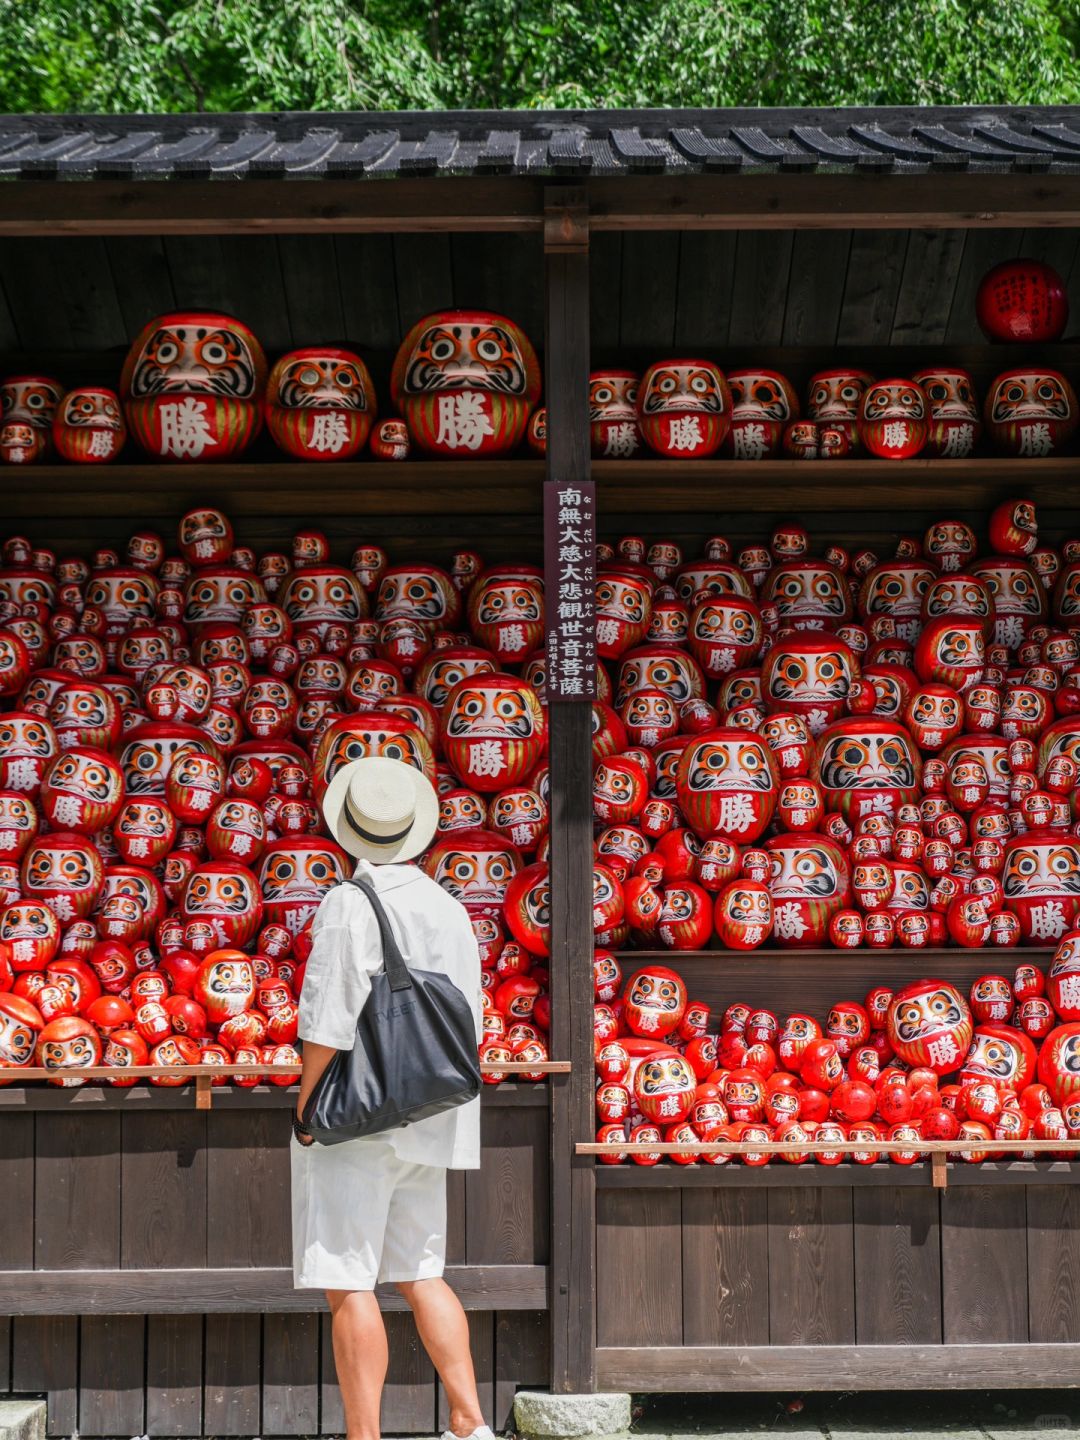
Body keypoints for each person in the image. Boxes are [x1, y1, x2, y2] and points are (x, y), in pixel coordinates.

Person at [291, 756, 492, 1440]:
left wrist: (307, 1108)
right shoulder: (449, 906)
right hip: (430, 1111)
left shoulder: (350, 903)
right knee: (420, 1271)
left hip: (361, 1115)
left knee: (349, 1278)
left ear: (348, 833)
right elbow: (470, 1015)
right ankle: (469, 1422)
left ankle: (363, 1436)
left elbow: (327, 1018)